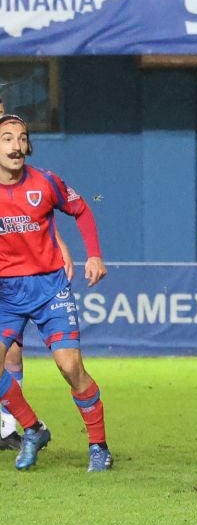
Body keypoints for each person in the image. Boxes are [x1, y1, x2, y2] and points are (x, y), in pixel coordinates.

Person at [0, 115, 110, 471]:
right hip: (6, 293)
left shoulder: (46, 182)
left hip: (49, 289)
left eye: (21, 138)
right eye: (6, 139)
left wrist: (93, 254)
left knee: (70, 367)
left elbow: (81, 209)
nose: (15, 146)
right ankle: (32, 429)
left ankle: (99, 447)